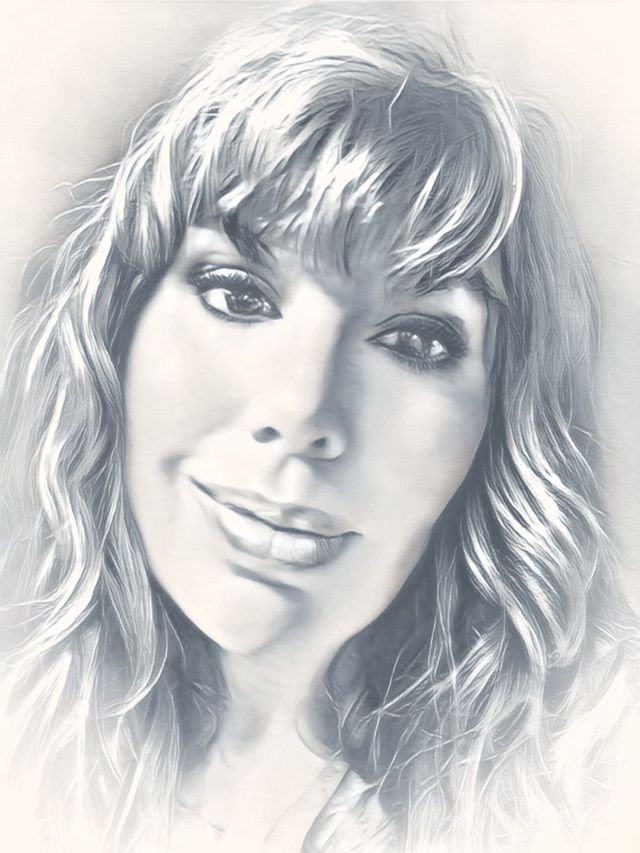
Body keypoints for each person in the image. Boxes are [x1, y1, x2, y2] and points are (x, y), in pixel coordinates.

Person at [0, 6, 637, 852]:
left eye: (414, 340)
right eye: (238, 294)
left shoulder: (603, 774)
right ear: (118, 323)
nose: (302, 413)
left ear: (500, 423)